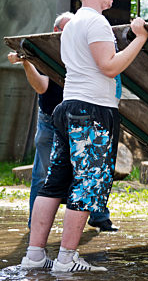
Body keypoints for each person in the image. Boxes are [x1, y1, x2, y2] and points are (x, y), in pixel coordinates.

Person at [19, 0, 148, 272]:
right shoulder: (96, 22)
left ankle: (34, 255)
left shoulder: (72, 26)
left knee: (54, 182)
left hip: (67, 108)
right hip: (92, 111)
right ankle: (66, 258)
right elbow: (109, 66)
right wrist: (140, 38)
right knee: (88, 183)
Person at [7, 13, 117, 233]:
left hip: (82, 116)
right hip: (51, 118)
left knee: (89, 170)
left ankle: (99, 216)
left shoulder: (84, 47)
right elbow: (41, 87)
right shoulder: (43, 52)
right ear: (56, 32)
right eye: (68, 29)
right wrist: (27, 63)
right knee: (42, 174)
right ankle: (35, 226)